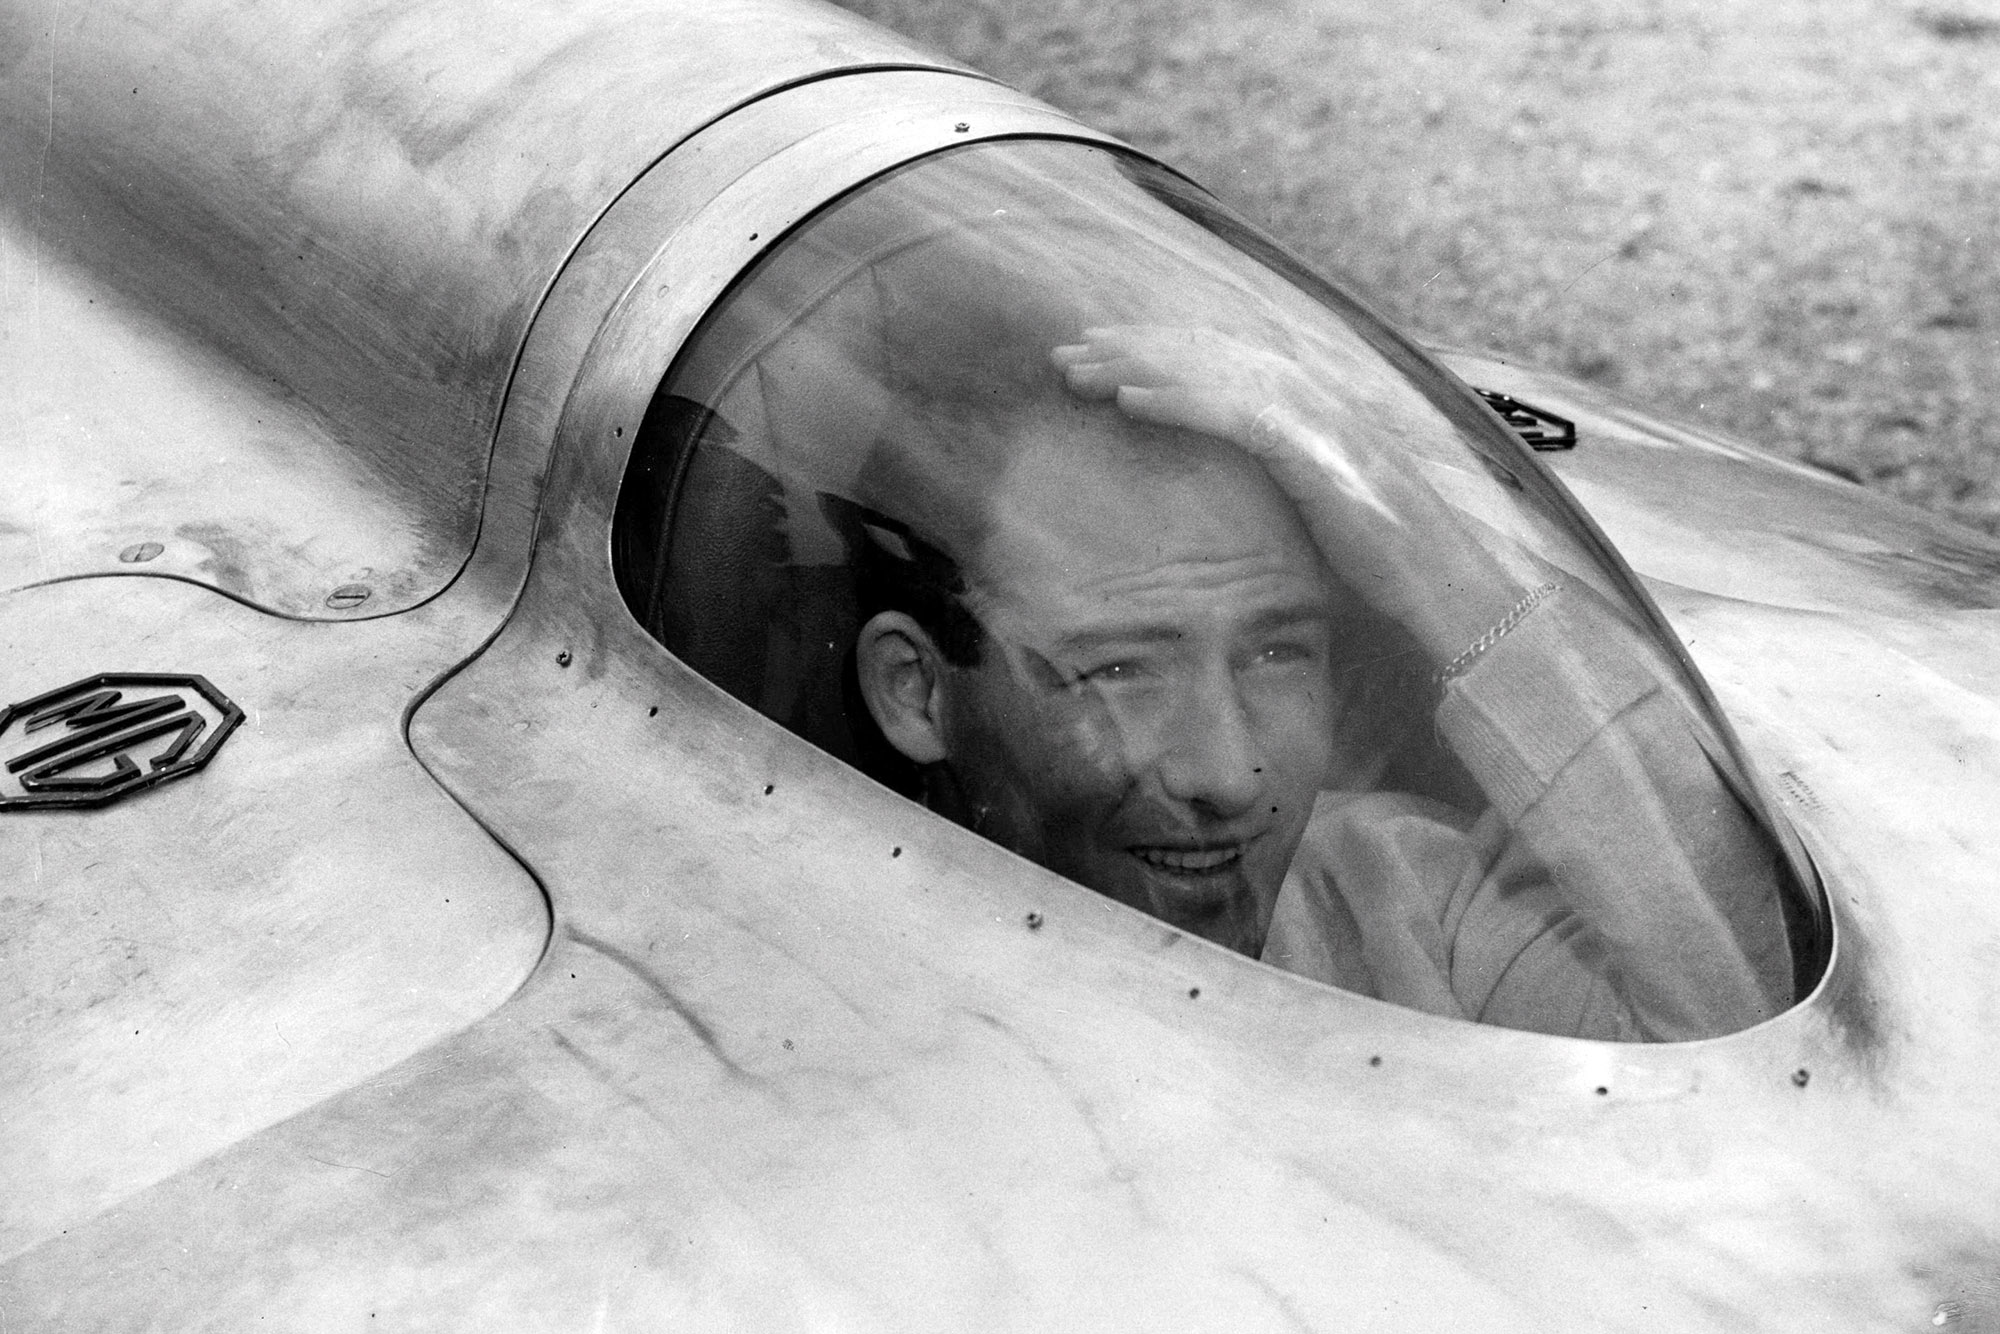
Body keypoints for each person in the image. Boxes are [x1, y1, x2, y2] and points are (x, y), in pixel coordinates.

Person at [847, 326, 1794, 1041]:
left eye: (1276, 653)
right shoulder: (837, 1000)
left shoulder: (1408, 896)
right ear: (917, 692)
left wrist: (1418, 545)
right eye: (1121, 670)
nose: (1229, 774)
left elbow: (1742, 1020)